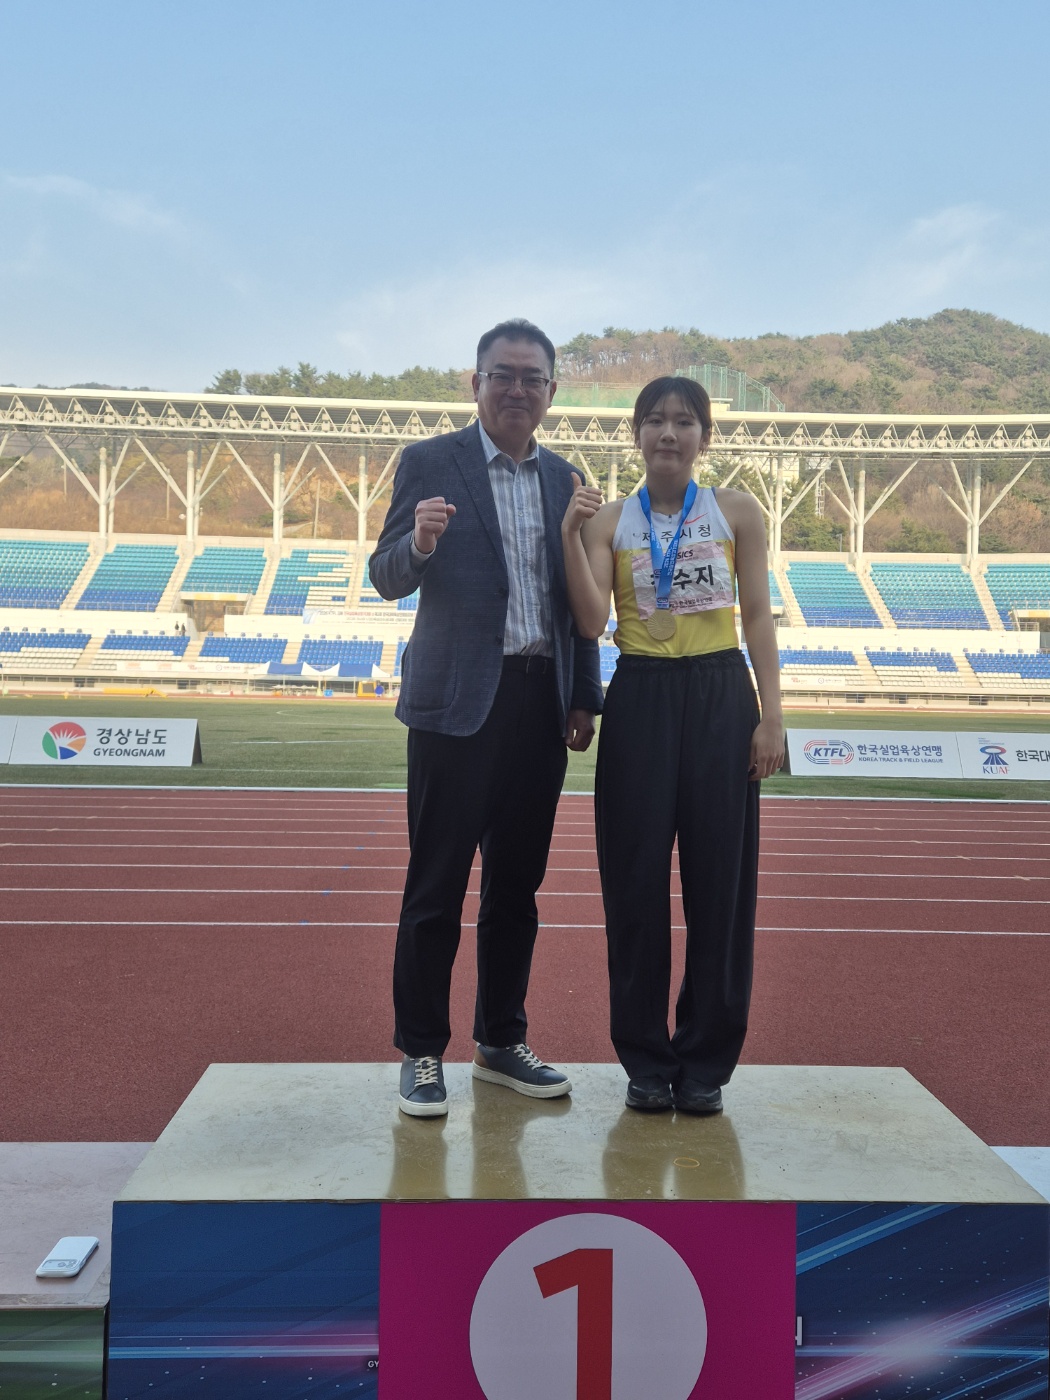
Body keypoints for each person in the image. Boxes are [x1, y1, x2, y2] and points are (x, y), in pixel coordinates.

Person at [370, 319, 603, 1117]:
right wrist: (420, 544)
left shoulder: (566, 478)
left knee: (517, 890)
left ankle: (501, 1040)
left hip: (539, 704)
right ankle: (421, 1051)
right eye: (502, 374)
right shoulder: (429, 462)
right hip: (453, 707)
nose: (516, 389)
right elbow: (385, 575)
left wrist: (583, 695)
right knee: (435, 887)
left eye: (532, 378)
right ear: (475, 384)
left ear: (551, 392)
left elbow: (577, 600)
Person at [561, 376, 784, 1114]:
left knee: (721, 886)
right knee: (634, 886)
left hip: (722, 694)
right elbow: (590, 622)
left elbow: (758, 616)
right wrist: (567, 536)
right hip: (642, 696)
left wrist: (772, 716)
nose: (668, 433)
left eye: (684, 421)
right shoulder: (609, 521)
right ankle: (646, 1061)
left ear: (704, 438)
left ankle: (705, 1061)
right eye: (654, 420)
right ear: (635, 434)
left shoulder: (737, 511)